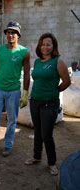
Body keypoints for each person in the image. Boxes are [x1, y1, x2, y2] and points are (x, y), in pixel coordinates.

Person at [0, 21, 30, 157]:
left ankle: (8, 145)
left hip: (13, 91)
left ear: (18, 35)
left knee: (12, 120)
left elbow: (27, 74)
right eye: (8, 32)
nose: (10, 35)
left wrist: (25, 92)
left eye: (13, 32)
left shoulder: (24, 52)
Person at [24, 33, 71, 176]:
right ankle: (36, 156)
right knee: (37, 132)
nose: (45, 47)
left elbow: (66, 81)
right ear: (40, 46)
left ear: (53, 46)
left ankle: (52, 163)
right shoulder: (37, 62)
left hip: (49, 104)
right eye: (43, 44)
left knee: (47, 135)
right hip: (35, 101)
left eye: (48, 44)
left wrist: (54, 91)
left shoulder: (58, 61)